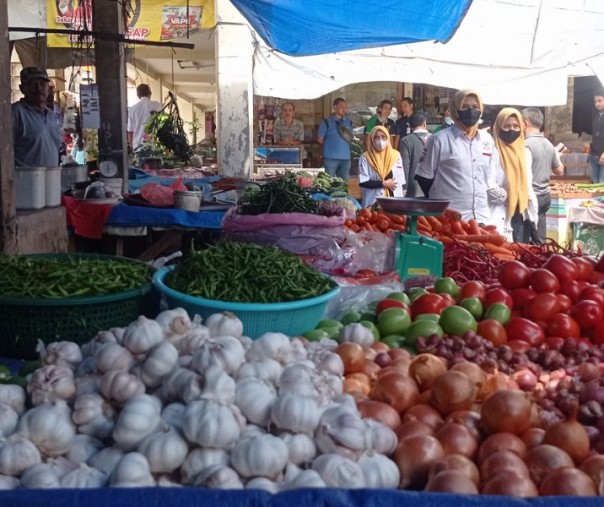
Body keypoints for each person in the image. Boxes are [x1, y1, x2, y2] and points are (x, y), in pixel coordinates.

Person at [415, 89, 499, 225]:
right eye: (464, 107)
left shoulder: (487, 140)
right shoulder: (439, 140)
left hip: (482, 220)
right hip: (450, 222)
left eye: (475, 107)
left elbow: (488, 176)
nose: (471, 111)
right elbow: (424, 178)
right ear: (455, 110)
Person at [491, 107, 538, 243]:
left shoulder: (525, 152)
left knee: (521, 254)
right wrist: (508, 195)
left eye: (516, 126)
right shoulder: (492, 152)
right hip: (500, 211)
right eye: (506, 126)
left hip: (522, 213)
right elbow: (488, 183)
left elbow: (527, 182)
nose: (512, 129)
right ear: (499, 127)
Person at [521, 107, 565, 244]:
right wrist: (556, 156)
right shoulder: (549, 144)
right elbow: (560, 171)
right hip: (545, 196)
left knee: (525, 240)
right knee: (539, 237)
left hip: (531, 197)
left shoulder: (525, 144)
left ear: (525, 123)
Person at [12, 67, 62, 167]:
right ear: (22, 89)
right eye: (32, 84)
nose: (38, 88)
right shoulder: (15, 112)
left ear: (48, 87)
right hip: (25, 180)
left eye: (42, 84)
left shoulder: (52, 116)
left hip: (51, 179)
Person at [358, 126, 405, 208]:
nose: (380, 140)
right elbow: (363, 181)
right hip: (373, 201)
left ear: (388, 138)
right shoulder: (365, 157)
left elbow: (400, 178)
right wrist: (383, 184)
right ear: (371, 140)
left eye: (383, 137)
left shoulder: (396, 155)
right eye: (376, 137)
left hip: (394, 200)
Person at [317, 97, 354, 180]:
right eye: (342, 107)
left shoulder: (349, 122)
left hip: (346, 159)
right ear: (335, 107)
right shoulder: (326, 122)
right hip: (330, 159)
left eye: (345, 107)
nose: (344, 109)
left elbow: (350, 139)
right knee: (329, 184)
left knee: (343, 185)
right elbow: (320, 140)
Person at [399, 113, 431, 197]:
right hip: (433, 186)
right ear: (425, 124)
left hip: (414, 187)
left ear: (411, 126)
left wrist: (404, 188)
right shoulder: (435, 139)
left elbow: (405, 166)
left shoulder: (406, 141)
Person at [127, 83, 161, 150]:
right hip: (153, 146)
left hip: (137, 147)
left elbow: (130, 131)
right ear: (150, 93)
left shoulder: (132, 109)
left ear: (138, 95)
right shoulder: (157, 105)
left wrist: (131, 147)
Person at [589, 88, 604, 183]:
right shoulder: (596, 115)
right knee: (595, 184)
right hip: (594, 155)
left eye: (600, 101)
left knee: (602, 185)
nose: (597, 104)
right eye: (595, 101)